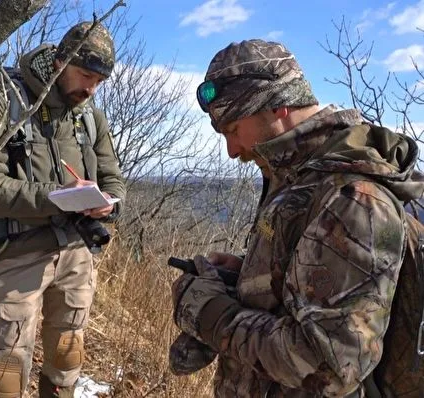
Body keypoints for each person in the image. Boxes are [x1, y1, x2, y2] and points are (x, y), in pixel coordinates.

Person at [170, 39, 424, 397]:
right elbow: (311, 285)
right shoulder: (297, 175)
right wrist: (247, 277)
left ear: (277, 108)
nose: (232, 150)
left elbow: (327, 366)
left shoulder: (353, 199)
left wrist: (214, 316)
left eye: (233, 130)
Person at [0, 22, 125, 398]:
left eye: (100, 81)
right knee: (7, 374)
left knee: (68, 356)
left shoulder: (89, 116)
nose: (91, 89)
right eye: (86, 75)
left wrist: (107, 205)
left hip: (77, 253)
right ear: (60, 62)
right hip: (17, 253)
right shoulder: (3, 100)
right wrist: (57, 196)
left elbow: (114, 180)